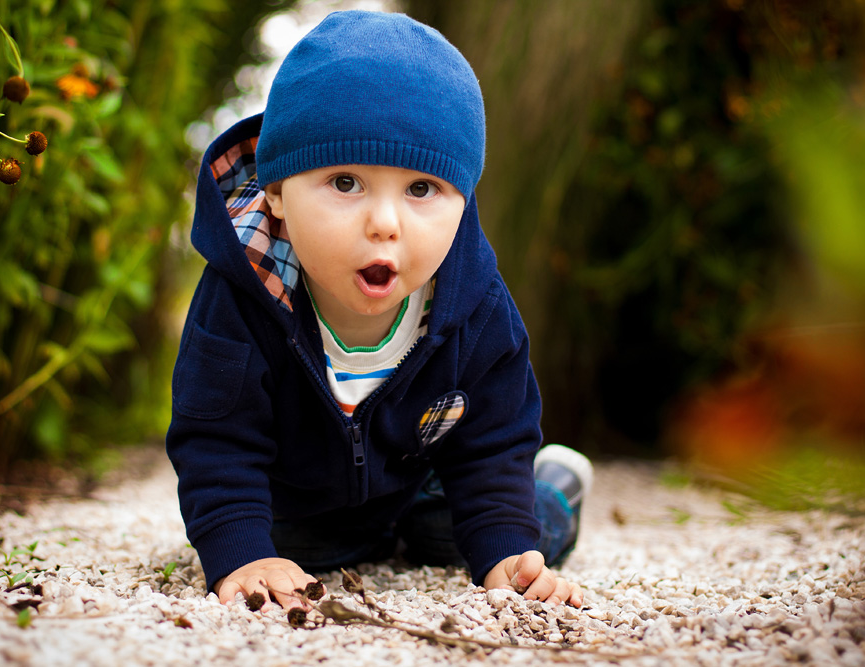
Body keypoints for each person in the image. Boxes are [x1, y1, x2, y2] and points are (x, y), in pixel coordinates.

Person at [166, 10, 595, 613]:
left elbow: (493, 439)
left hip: (425, 481)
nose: (385, 223)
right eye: (346, 182)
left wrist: (507, 549)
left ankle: (557, 489)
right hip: (302, 500)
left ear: (463, 201)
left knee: (486, 535)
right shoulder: (243, 294)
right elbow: (217, 438)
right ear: (277, 192)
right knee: (284, 548)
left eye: (422, 189)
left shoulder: (474, 305)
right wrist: (240, 552)